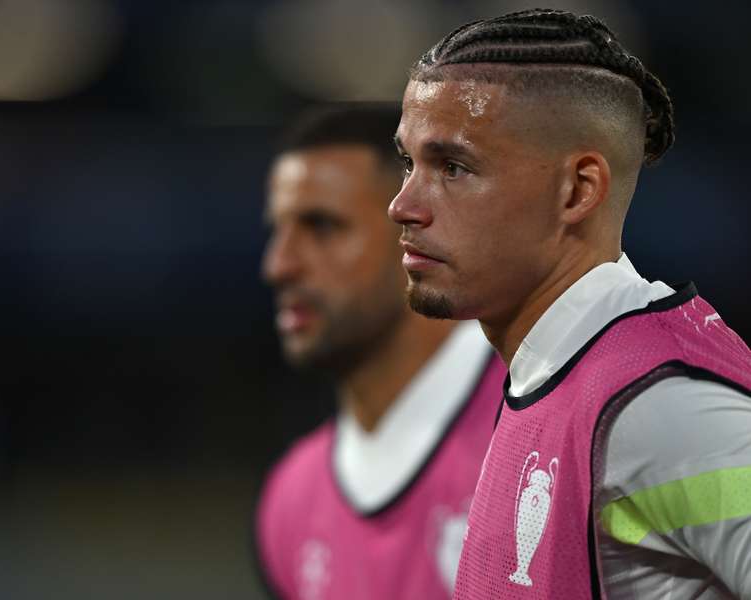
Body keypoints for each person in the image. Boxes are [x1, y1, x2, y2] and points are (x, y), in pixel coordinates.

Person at [389, 8, 751, 599]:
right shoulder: (554, 372)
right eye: (410, 163)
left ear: (579, 190)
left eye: (453, 167)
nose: (402, 205)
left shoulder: (661, 409)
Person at [255, 104, 506, 600]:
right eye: (278, 230)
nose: (278, 265)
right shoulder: (292, 502)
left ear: (420, 231)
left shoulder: (555, 427)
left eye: (321, 226)